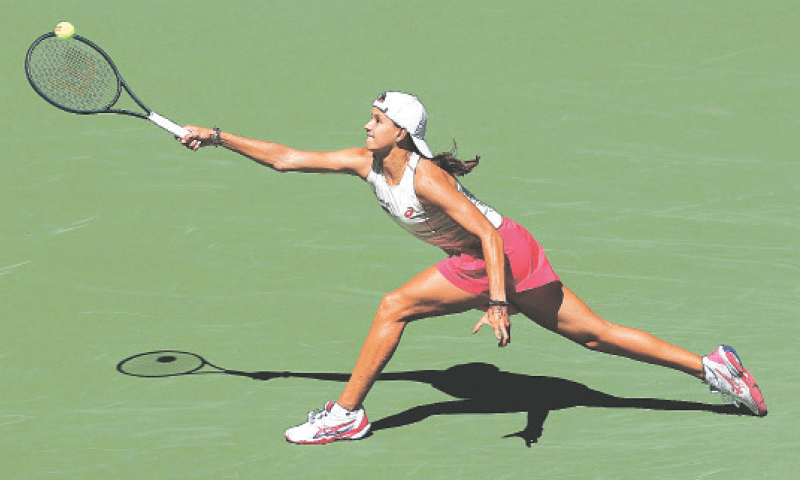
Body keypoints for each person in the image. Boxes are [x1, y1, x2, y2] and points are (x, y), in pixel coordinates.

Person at [179, 91, 767, 445]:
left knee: (393, 306)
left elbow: (484, 232)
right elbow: (285, 159)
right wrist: (218, 135)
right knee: (594, 336)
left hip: (493, 256)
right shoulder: (365, 163)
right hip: (507, 249)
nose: (366, 125)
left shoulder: (427, 177)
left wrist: (498, 302)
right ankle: (713, 368)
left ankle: (344, 416)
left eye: (377, 119)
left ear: (402, 132)